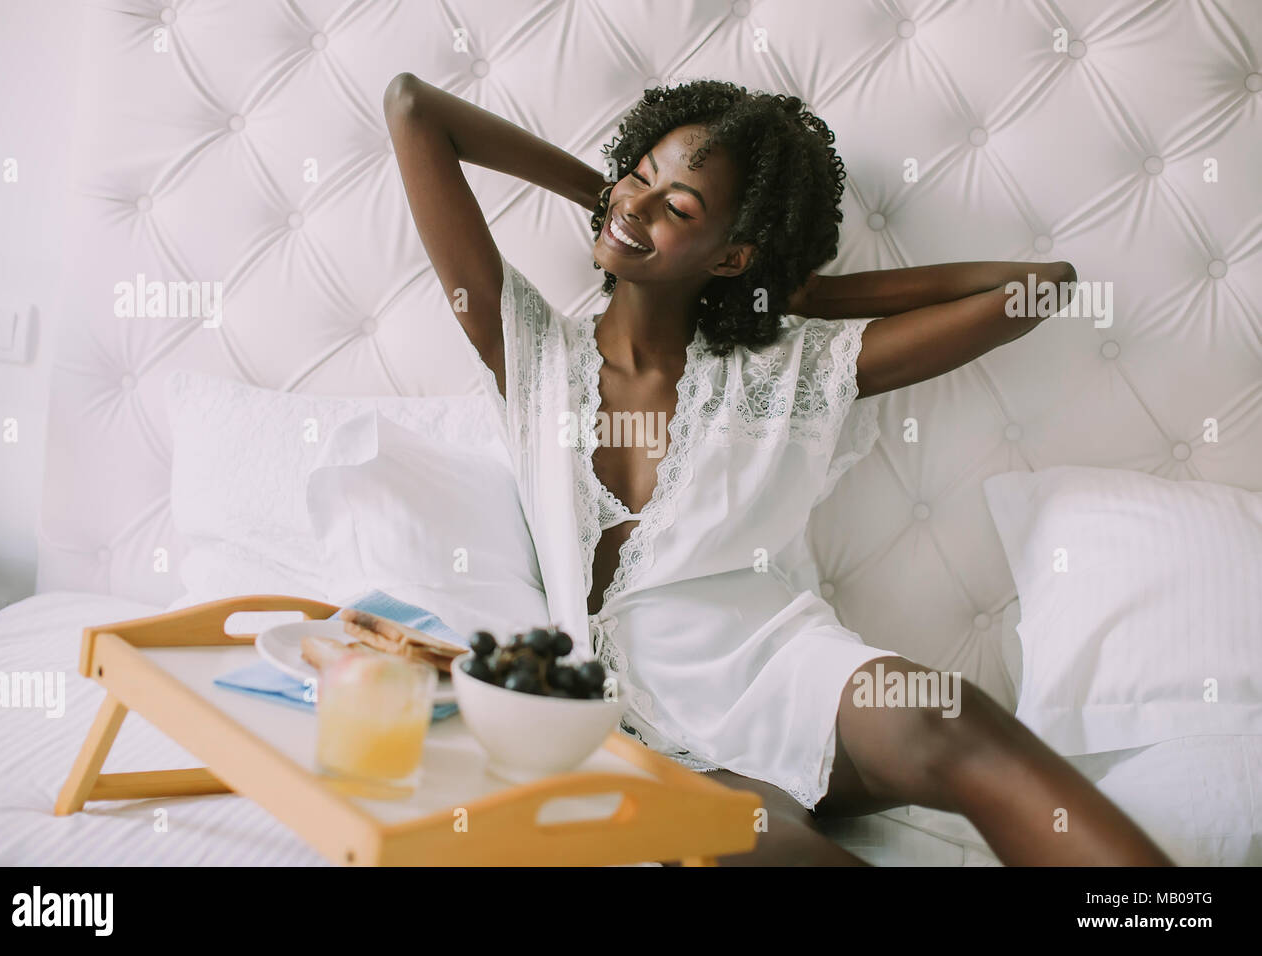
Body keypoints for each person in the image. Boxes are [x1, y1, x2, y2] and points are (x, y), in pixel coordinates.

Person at [383, 72, 1172, 866]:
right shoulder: (530, 351)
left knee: (950, 717)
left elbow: (1038, 289)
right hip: (631, 731)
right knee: (775, 851)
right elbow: (414, 108)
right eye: (640, 175)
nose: (640, 206)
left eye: (681, 208)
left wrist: (816, 296)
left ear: (733, 254)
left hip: (784, 676)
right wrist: (608, 197)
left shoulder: (787, 372)